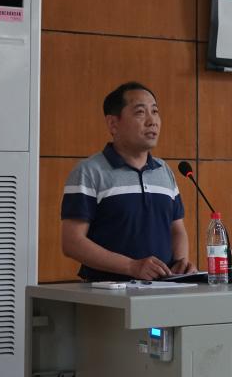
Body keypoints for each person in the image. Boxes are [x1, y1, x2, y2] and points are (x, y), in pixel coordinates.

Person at [61, 81, 195, 281]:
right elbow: (72, 242)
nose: (152, 121)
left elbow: (177, 229)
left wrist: (181, 261)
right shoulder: (89, 171)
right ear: (113, 124)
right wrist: (132, 267)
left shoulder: (164, 170)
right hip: (108, 291)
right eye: (140, 112)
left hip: (164, 289)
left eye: (155, 111)